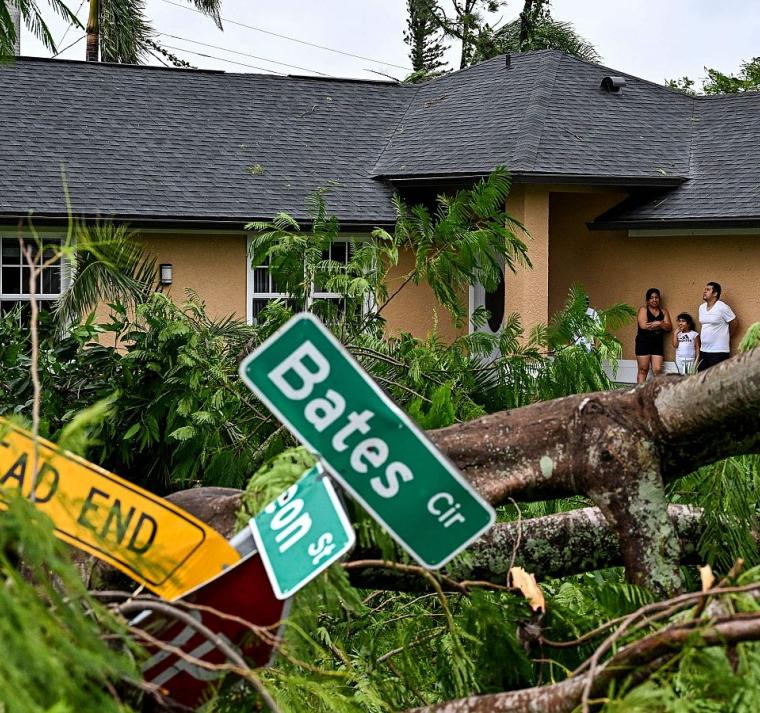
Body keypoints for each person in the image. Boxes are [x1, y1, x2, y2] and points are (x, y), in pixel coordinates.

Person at [635, 288, 672, 384]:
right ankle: (640, 394)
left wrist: (659, 323)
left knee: (657, 370)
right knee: (643, 369)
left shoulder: (663, 311)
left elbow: (668, 327)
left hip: (657, 343)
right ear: (647, 300)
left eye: (656, 297)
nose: (654, 300)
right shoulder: (643, 310)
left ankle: (655, 393)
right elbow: (643, 326)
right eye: (651, 298)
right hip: (643, 342)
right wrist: (661, 325)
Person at [698, 281, 737, 371]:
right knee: (702, 378)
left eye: (708, 290)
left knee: (717, 379)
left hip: (719, 351)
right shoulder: (701, 307)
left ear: (715, 293)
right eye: (704, 289)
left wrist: (728, 335)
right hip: (704, 350)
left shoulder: (722, 307)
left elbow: (734, 323)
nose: (704, 291)